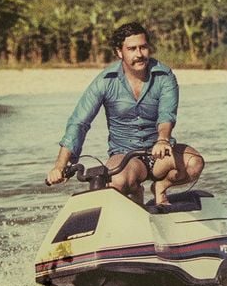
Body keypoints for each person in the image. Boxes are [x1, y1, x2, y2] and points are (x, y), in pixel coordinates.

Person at [45, 22, 204, 207]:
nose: (139, 54)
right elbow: (79, 123)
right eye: (132, 49)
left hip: (160, 153)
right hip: (125, 156)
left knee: (195, 164)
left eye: (143, 47)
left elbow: (167, 115)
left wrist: (163, 140)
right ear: (119, 52)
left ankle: (160, 187)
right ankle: (135, 193)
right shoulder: (105, 81)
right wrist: (61, 165)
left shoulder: (164, 75)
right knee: (117, 182)